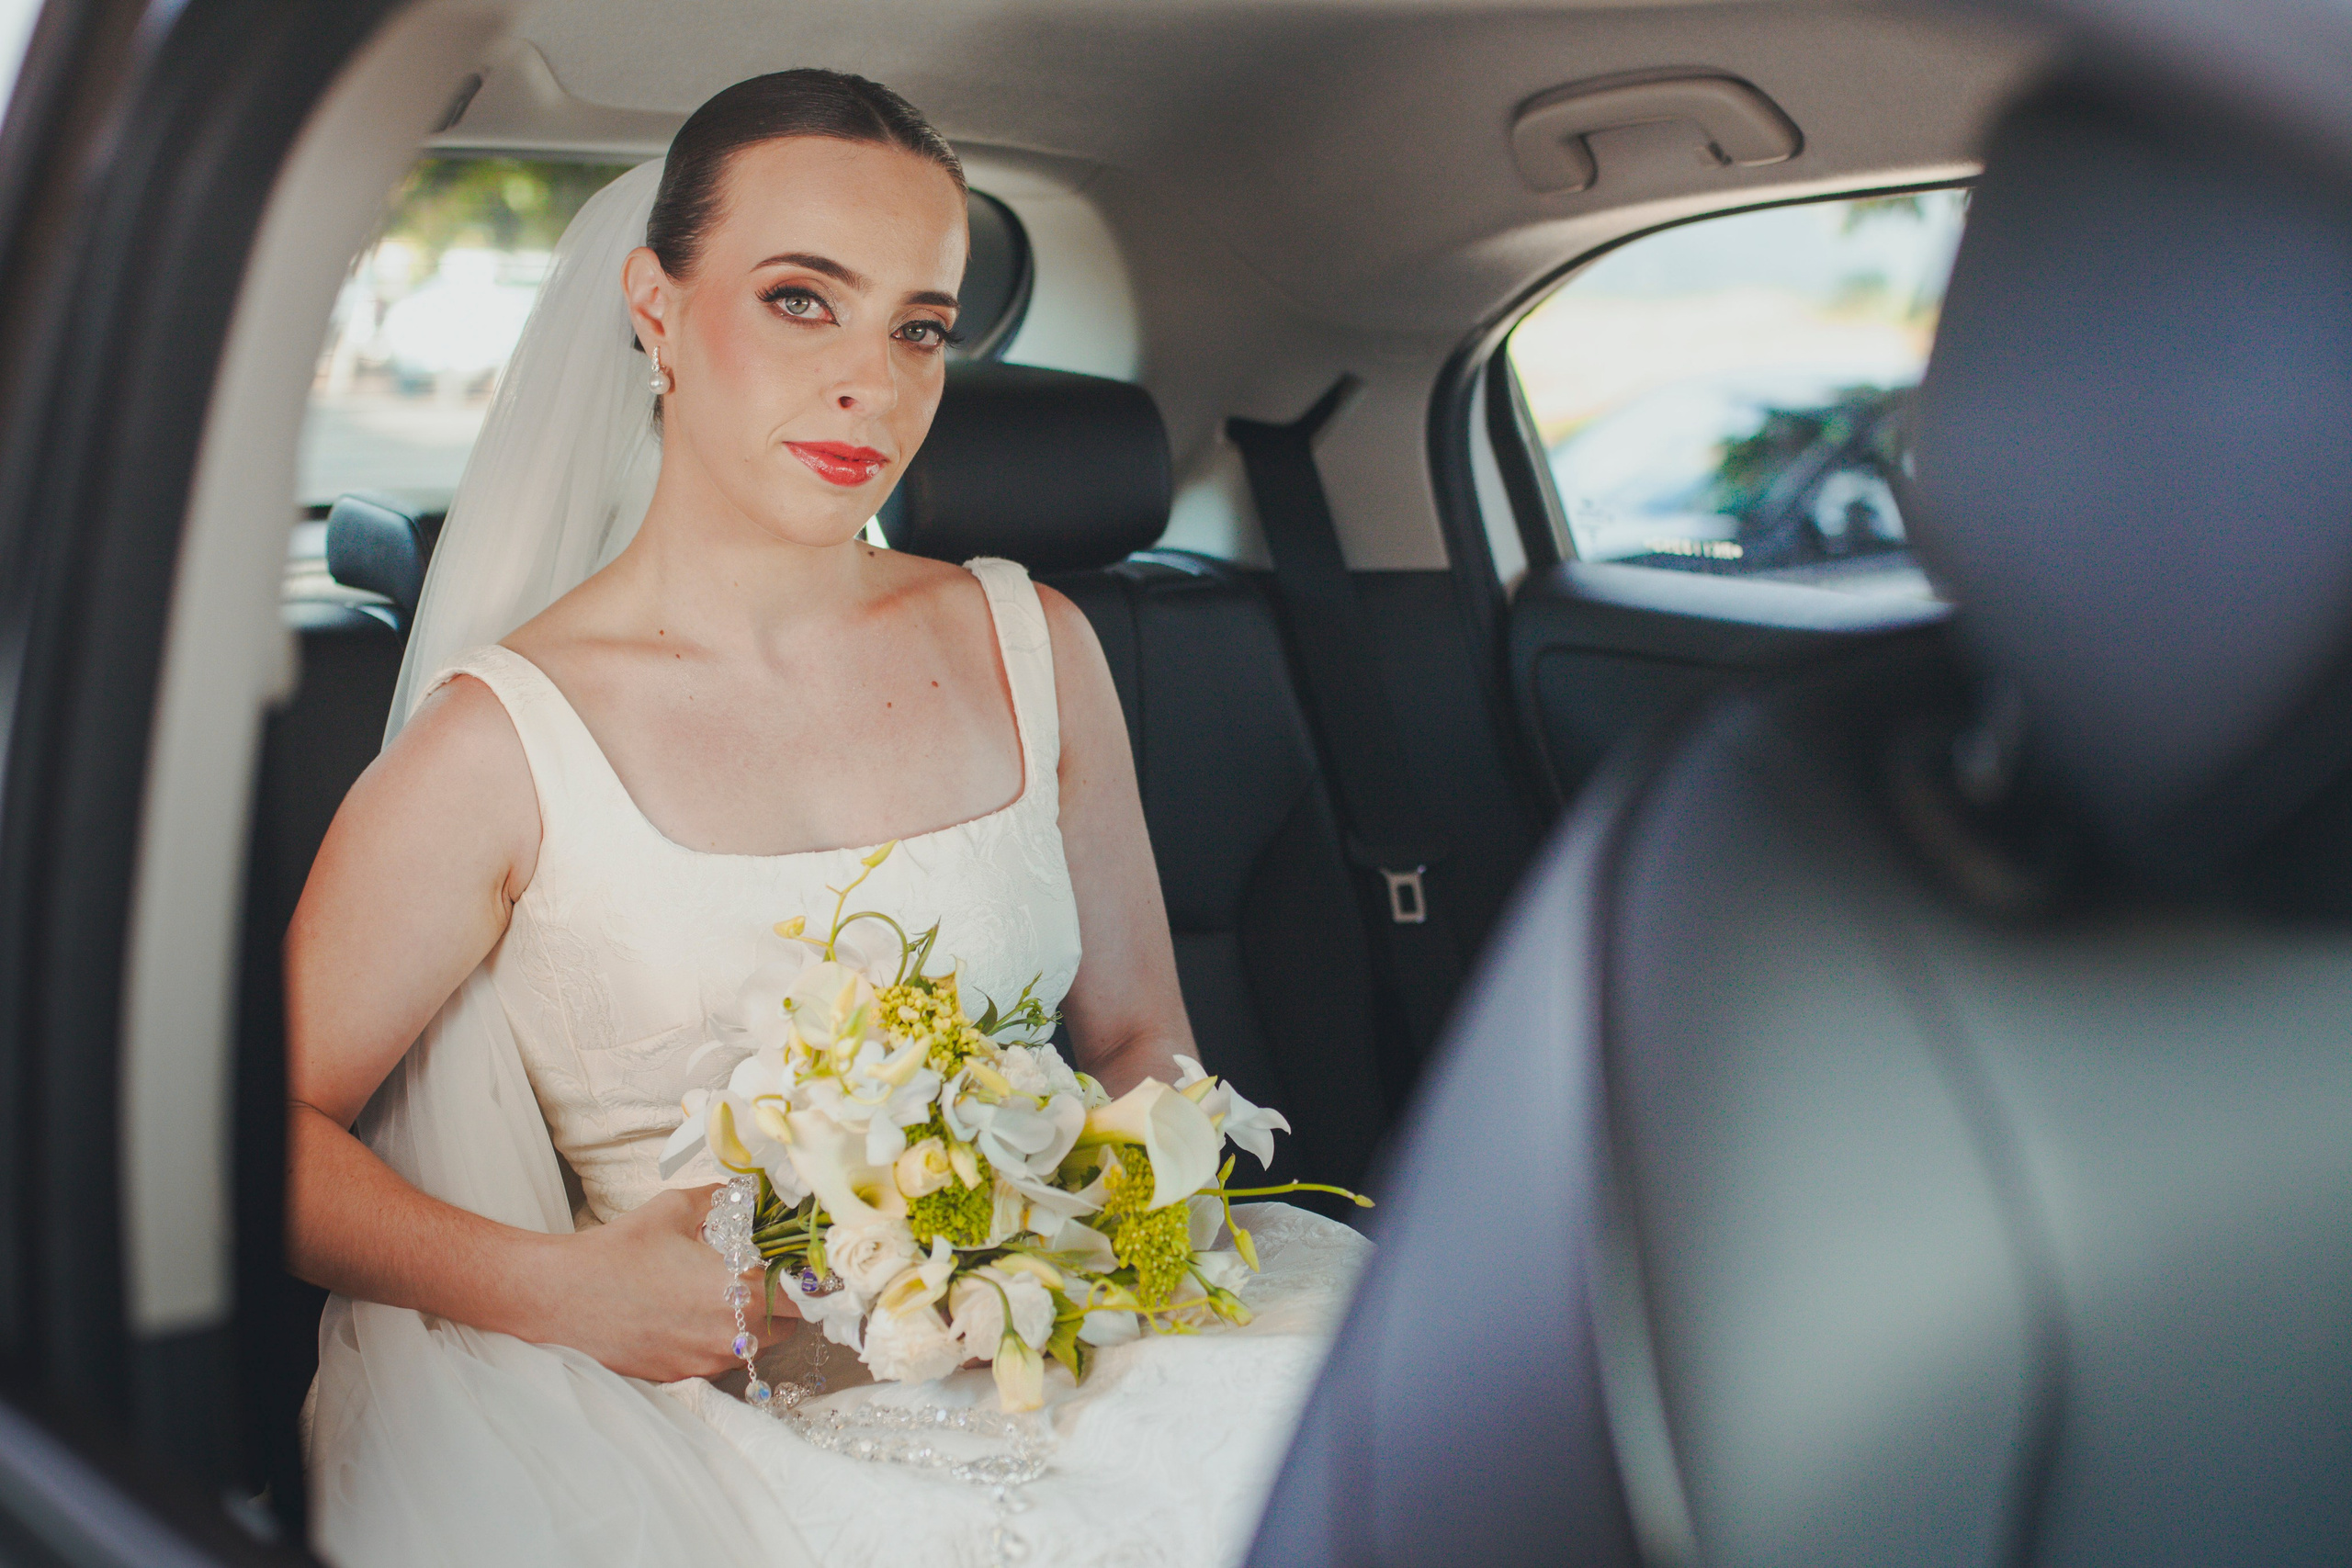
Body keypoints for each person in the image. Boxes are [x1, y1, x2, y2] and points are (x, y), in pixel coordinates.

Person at [288, 69, 1366, 1568]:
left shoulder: (1033, 642)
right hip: (716, 1427)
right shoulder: (502, 748)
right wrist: (569, 1288)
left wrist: (1104, 1229)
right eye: (804, 300)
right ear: (654, 308)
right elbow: (254, 1144)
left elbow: (1139, 1043)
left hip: (1080, 1333)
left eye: (921, 325)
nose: (877, 381)